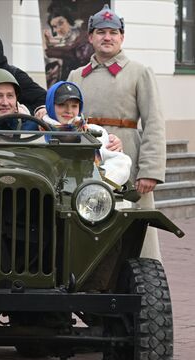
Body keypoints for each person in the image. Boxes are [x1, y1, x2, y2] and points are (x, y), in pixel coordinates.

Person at [68, 4, 166, 260]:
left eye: (113, 32)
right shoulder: (77, 75)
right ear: (90, 37)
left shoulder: (139, 72)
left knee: (135, 223)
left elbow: (154, 122)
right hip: (86, 160)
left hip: (128, 160)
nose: (107, 37)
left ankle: (143, 278)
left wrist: (150, 170)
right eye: (100, 32)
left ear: (122, 37)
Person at [43, 81, 131, 187]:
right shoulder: (37, 134)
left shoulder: (95, 133)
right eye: (62, 105)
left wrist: (95, 187)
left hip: (88, 200)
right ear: (50, 105)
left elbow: (121, 162)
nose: (69, 110)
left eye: (74, 106)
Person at [43, 6, 93, 85]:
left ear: (69, 20)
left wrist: (49, 50)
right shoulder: (58, 42)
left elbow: (72, 52)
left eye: (61, 23)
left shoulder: (82, 37)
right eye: (54, 27)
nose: (58, 29)